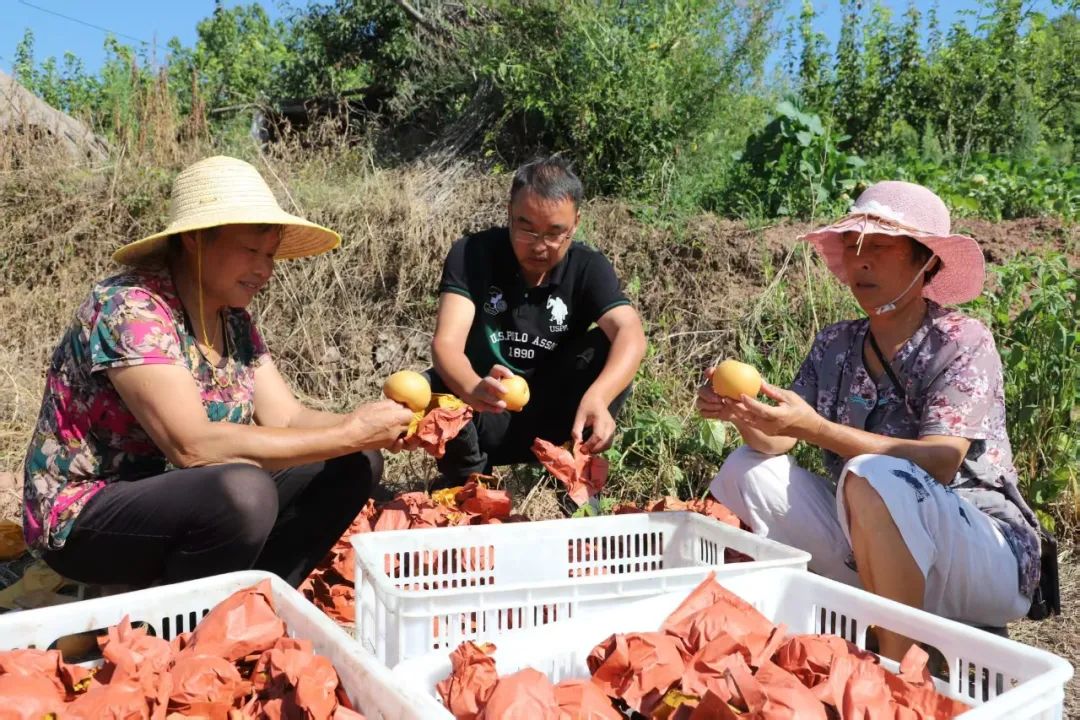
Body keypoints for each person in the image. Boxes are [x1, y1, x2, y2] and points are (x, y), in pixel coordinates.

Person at [22, 156, 414, 589]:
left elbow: (287, 419)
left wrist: (373, 428)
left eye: (270, 255)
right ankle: (175, 634)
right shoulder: (131, 307)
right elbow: (191, 445)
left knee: (355, 461)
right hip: (86, 519)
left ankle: (260, 601)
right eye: (251, 251)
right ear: (195, 240)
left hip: (185, 498)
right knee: (244, 492)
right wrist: (348, 432)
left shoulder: (233, 321)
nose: (264, 269)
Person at [698, 181, 1041, 658]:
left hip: (981, 552)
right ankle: (873, 618)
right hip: (872, 538)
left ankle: (898, 667)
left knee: (873, 474)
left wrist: (814, 428)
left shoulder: (961, 341)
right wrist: (742, 414)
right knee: (745, 468)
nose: (860, 260)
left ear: (926, 261)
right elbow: (778, 440)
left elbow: (941, 462)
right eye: (853, 246)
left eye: (878, 247)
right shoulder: (835, 343)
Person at [428, 157, 646, 498]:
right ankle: (469, 486)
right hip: (486, 407)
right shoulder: (473, 254)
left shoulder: (588, 267)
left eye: (554, 232)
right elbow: (446, 345)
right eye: (526, 228)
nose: (539, 245)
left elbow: (630, 333)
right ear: (509, 213)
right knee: (433, 384)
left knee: (609, 349)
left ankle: (575, 484)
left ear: (575, 224)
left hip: (556, 416)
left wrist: (598, 398)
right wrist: (473, 387)